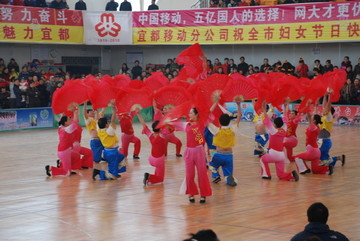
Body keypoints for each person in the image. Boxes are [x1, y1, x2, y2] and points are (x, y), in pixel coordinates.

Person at [168, 107, 213, 203]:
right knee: (189, 175)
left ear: (196, 114)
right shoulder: (187, 125)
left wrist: (216, 102)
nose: (189, 115)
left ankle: (203, 194)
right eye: (189, 113)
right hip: (189, 152)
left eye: (191, 113)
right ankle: (191, 193)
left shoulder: (201, 123)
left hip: (199, 151)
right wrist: (167, 120)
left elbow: (208, 112)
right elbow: (173, 123)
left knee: (202, 174)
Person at [260, 101, 299, 181]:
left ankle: (266, 175)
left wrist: (264, 108)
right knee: (280, 175)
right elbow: (285, 118)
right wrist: (286, 106)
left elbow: (266, 118)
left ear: (274, 124)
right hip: (281, 156)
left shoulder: (273, 130)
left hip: (274, 154)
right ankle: (291, 175)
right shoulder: (284, 129)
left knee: (262, 159)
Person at [208, 99, 241, 186]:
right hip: (229, 155)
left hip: (219, 155)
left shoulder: (217, 130)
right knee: (228, 173)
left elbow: (206, 117)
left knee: (212, 165)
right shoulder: (232, 130)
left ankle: (216, 175)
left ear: (219, 121)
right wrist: (238, 105)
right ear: (229, 121)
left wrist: (215, 102)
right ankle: (229, 179)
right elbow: (239, 117)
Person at [93, 105, 126, 180]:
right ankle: (99, 172)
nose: (109, 124)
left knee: (122, 158)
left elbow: (97, 119)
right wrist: (114, 110)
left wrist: (96, 111)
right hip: (111, 153)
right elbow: (113, 121)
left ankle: (115, 172)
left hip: (108, 152)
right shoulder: (108, 131)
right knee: (113, 176)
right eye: (107, 123)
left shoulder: (99, 129)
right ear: (106, 124)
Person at [294, 111, 333, 175]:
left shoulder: (313, 127)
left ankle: (305, 170)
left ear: (314, 121)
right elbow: (313, 118)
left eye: (312, 118)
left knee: (297, 157)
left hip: (312, 151)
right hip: (316, 151)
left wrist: (307, 109)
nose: (311, 118)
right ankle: (327, 169)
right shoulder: (316, 127)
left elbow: (309, 117)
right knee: (315, 170)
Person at [45, 108, 80, 177]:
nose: (71, 120)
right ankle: (50, 168)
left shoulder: (61, 127)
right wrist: (75, 112)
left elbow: (65, 121)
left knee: (76, 155)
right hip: (64, 152)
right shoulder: (67, 129)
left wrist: (66, 112)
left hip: (65, 150)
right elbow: (75, 123)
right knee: (67, 173)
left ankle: (70, 168)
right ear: (66, 122)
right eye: (69, 119)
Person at [138, 112, 167, 185]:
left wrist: (138, 114)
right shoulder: (161, 136)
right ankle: (149, 176)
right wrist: (167, 115)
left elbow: (144, 125)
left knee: (158, 173)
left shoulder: (150, 135)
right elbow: (166, 127)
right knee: (161, 179)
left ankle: (150, 179)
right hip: (159, 160)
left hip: (151, 159)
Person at [318, 93, 345, 167]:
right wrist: (324, 95)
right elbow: (324, 106)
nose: (323, 109)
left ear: (329, 112)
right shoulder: (324, 117)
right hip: (321, 140)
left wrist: (329, 96)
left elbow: (328, 106)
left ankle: (336, 159)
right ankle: (339, 158)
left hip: (324, 141)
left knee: (323, 162)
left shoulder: (329, 118)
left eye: (326, 109)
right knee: (322, 161)